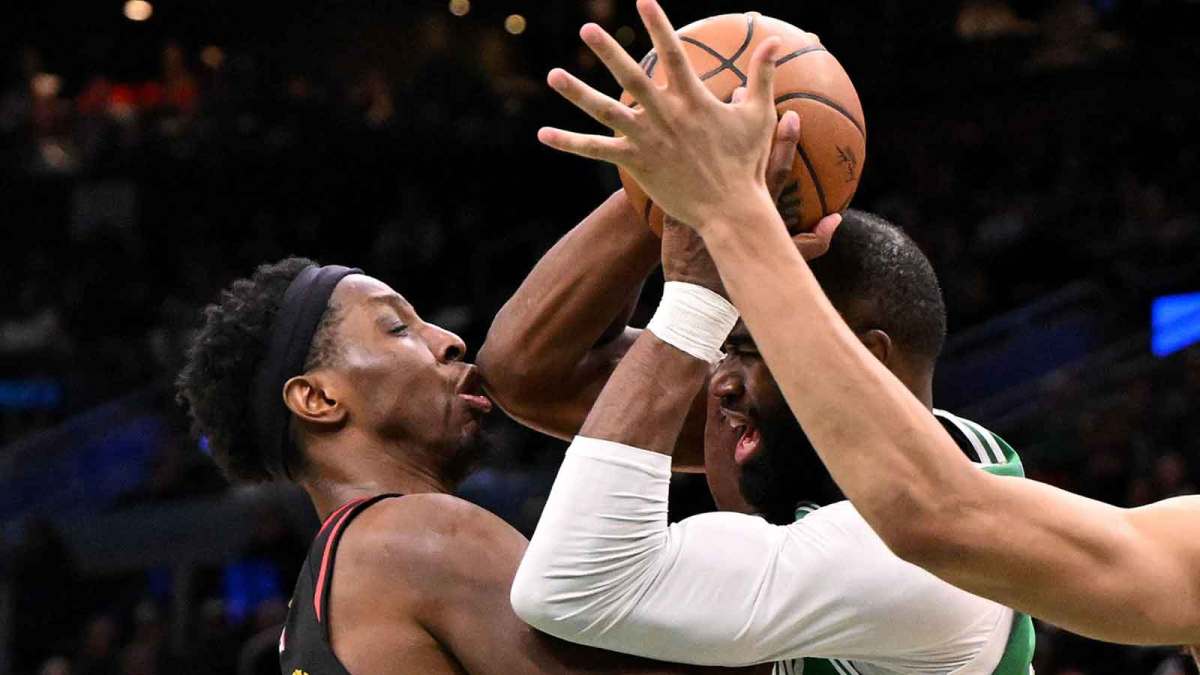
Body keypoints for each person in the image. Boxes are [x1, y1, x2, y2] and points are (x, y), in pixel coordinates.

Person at [516, 0, 1200, 663]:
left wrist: (723, 217)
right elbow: (529, 374)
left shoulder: (915, 568)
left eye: (751, 344)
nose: (720, 375)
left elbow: (574, 582)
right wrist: (678, 163)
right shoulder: (837, 441)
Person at [175, 257, 749, 674]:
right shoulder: (408, 539)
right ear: (318, 400)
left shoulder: (325, 599)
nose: (449, 341)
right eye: (398, 328)